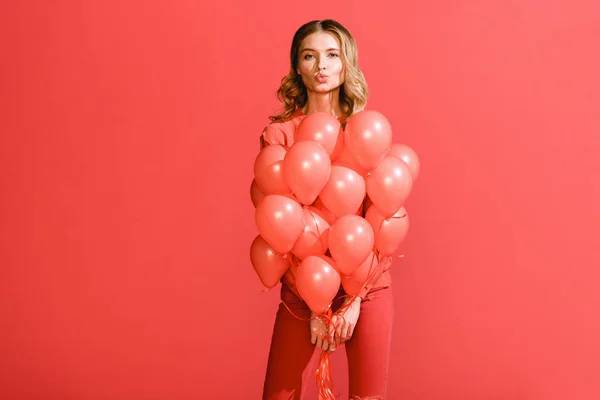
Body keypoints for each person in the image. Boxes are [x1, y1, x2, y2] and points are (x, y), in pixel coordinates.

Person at [259, 20, 394, 400]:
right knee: (279, 394)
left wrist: (351, 302)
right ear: (297, 67)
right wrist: (316, 306)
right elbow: (278, 224)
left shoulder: (366, 131)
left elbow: (381, 219)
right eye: (309, 55)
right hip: (303, 285)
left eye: (332, 55)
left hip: (367, 287)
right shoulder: (280, 135)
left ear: (345, 63)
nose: (321, 65)